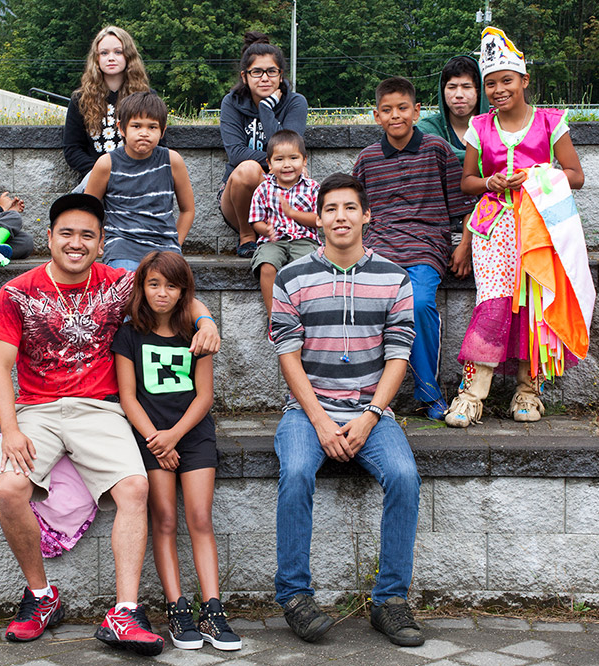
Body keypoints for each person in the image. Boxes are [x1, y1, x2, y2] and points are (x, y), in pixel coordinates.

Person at [0, 193, 220, 656]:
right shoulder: (17, 291)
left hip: (101, 407)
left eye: (87, 235)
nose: (76, 243)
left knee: (135, 489)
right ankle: (40, 597)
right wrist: (9, 429)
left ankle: (124, 612)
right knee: (10, 487)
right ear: (49, 237)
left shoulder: (118, 283)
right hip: (38, 410)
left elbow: (171, 289)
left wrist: (206, 319)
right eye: (67, 233)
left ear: (101, 241)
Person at [271, 172, 423, 648]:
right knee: (296, 471)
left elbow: (399, 354)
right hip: (307, 410)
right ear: (318, 217)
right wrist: (319, 419)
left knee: (404, 477)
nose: (340, 217)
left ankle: (390, 601)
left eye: (350, 208)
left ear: (366, 215)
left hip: (371, 412)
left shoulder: (394, 278)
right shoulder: (291, 277)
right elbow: (287, 354)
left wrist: (370, 416)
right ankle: (295, 597)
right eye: (331, 208)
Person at [444, 27, 586, 428]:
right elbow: (466, 181)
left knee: (535, 305)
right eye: (491, 83)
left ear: (524, 80)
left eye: (506, 80)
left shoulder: (550, 123)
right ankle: (472, 395)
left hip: (540, 226)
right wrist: (489, 183)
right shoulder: (480, 128)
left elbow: (575, 175)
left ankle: (528, 390)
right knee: (493, 303)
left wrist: (540, 174)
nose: (498, 90)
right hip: (493, 229)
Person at [111, 251, 241, 652]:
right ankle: (177, 607)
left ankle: (213, 609)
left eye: (171, 285)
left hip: (193, 434)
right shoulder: (129, 334)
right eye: (153, 284)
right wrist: (156, 439)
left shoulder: (195, 335)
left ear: (184, 290)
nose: (162, 293)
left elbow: (205, 396)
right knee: (164, 519)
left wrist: (175, 436)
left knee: (200, 517)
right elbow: (128, 397)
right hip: (151, 437)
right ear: (142, 287)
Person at [352, 76, 474, 420]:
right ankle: (370, 395)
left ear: (416, 111)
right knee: (369, 305)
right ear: (377, 116)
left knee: (419, 303)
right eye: (387, 110)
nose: (395, 116)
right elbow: (355, 210)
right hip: (380, 246)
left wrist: (462, 247)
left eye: (403, 108)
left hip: (426, 245)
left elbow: (465, 208)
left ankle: (428, 393)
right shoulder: (368, 158)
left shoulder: (436, 149)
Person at [219, 31, 308, 258]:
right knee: (248, 168)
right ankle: (247, 236)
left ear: (281, 76)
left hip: (284, 192)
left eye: (271, 72)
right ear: (245, 76)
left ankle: (284, 238)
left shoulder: (295, 103)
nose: (264, 78)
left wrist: (266, 109)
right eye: (256, 72)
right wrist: (274, 162)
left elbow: (289, 150)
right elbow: (237, 153)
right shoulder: (232, 103)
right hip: (240, 196)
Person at [85, 91, 194, 271]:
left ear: (163, 130)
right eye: (136, 126)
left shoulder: (172, 161)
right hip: (122, 248)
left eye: (152, 127)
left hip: (164, 247)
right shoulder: (107, 164)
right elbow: (88, 209)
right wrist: (97, 239)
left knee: (176, 295)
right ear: (121, 128)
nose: (144, 133)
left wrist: (176, 246)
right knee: (128, 288)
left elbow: (188, 209)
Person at [62, 26, 156, 189]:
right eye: (104, 53)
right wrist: (102, 172)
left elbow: (158, 145)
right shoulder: (80, 99)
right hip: (95, 179)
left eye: (118, 52)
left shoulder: (147, 97)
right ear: (96, 58)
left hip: (138, 178)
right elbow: (72, 149)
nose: (111, 58)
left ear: (128, 56)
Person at [248, 129, 320, 317]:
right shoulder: (263, 189)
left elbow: (319, 219)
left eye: (293, 158)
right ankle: (275, 318)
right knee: (267, 265)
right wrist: (266, 229)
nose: (287, 165)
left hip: (305, 240)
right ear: (269, 164)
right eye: (279, 160)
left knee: (306, 268)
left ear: (304, 160)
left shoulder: (312, 188)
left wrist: (293, 213)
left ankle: (302, 314)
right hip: (273, 241)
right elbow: (256, 220)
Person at [417, 55, 489, 165]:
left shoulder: (496, 126)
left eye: (466, 87)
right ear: (442, 91)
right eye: (452, 87)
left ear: (479, 91)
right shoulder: (428, 128)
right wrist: (489, 155)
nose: (459, 95)